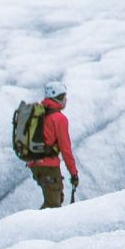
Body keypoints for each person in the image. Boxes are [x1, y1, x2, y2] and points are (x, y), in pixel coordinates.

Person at [27, 79, 79, 209]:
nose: (66, 100)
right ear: (59, 98)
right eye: (64, 97)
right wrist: (73, 173)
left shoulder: (39, 112)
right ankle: (33, 228)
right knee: (53, 205)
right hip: (48, 165)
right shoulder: (59, 119)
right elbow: (66, 150)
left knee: (55, 199)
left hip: (35, 163)